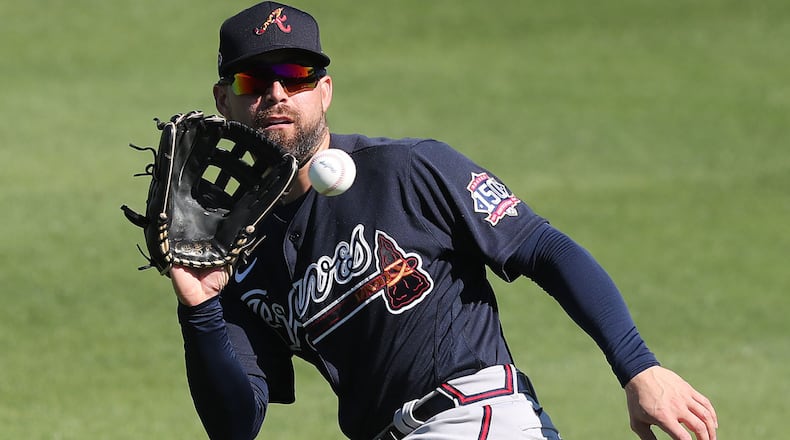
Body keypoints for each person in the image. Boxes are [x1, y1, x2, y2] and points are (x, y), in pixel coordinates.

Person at [169, 2, 718, 439]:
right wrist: (199, 309)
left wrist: (639, 368)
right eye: (253, 81)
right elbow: (236, 424)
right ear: (223, 99)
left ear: (325, 89)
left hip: (475, 419)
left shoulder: (410, 169)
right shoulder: (235, 255)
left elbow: (544, 248)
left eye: (298, 75)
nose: (277, 94)